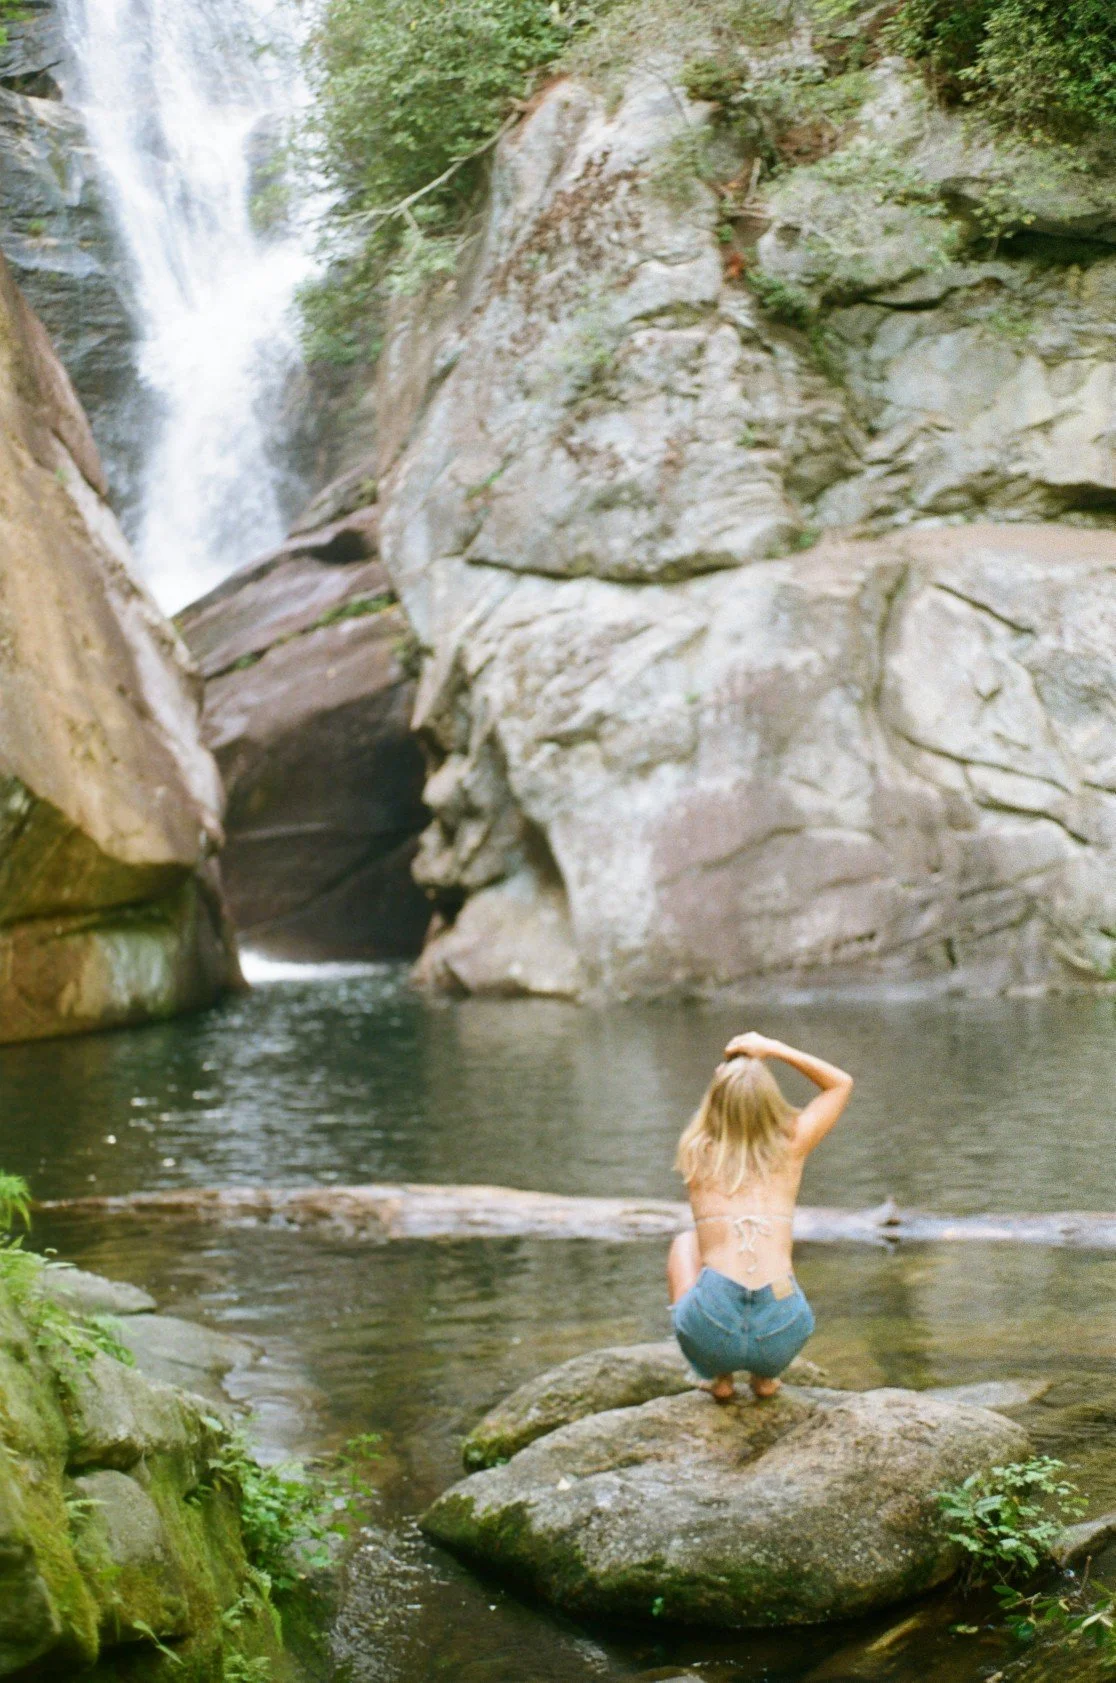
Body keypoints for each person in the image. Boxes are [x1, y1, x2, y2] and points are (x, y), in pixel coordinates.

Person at [667, 1031, 854, 1403]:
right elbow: (840, 1084)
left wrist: (725, 1079)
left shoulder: (696, 1148)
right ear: (771, 1102)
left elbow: (713, 1117)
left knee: (686, 1243)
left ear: (716, 1101)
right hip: (781, 1331)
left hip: (711, 1330)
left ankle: (715, 1378)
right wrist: (774, 1050)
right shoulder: (792, 1145)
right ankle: (766, 1379)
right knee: (779, 1261)